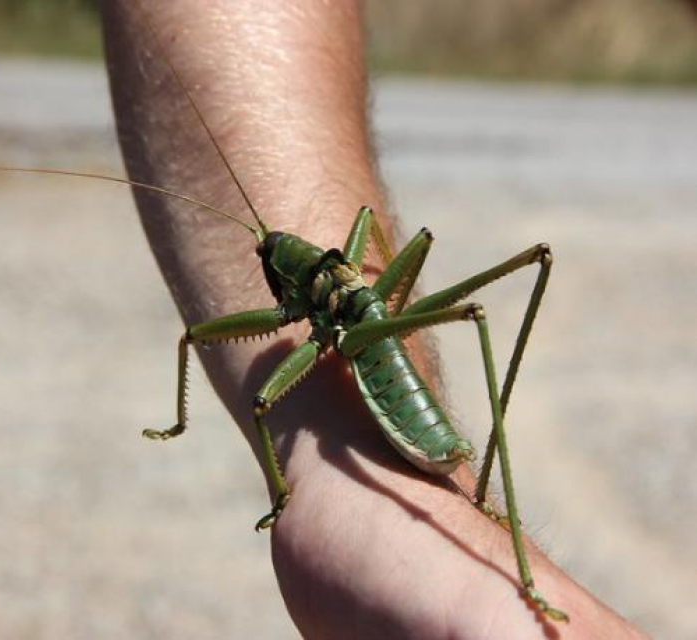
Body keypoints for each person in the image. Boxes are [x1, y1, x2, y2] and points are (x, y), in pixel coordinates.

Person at [100, 1, 647, 638]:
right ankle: (476, 508)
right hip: (363, 325)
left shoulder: (307, 289)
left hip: (373, 351)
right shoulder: (333, 261)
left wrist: (285, 494)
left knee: (468, 308)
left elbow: (247, 371)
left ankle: (515, 566)